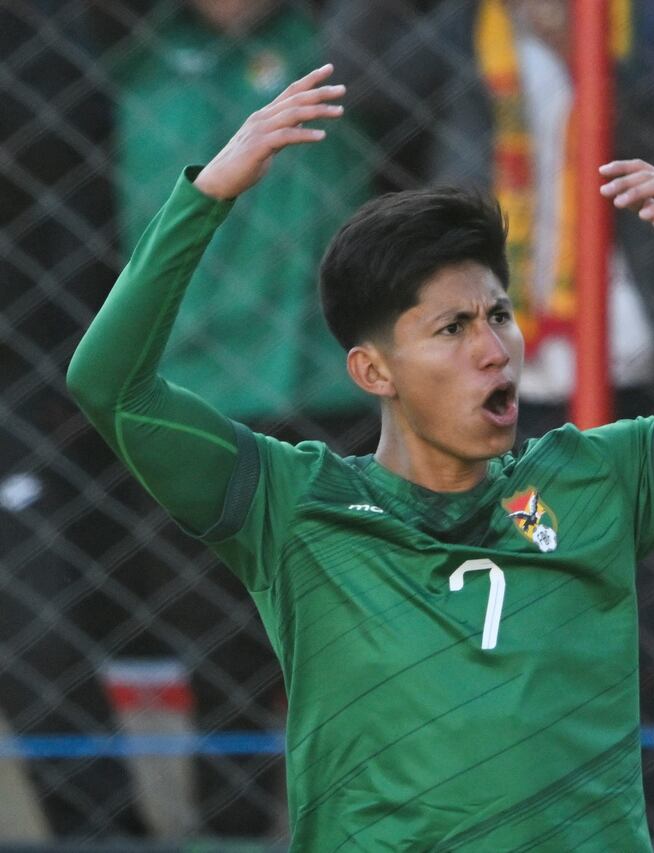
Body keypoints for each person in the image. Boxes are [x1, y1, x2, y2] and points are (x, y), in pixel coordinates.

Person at [66, 64, 654, 849]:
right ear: (374, 371)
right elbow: (111, 386)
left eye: (500, 314)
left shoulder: (601, 477)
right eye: (453, 329)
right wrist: (204, 199)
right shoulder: (292, 506)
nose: (495, 350)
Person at [87, 0, 377, 832]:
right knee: (218, 656)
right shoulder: (123, 53)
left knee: (356, 648)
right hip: (188, 401)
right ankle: (235, 832)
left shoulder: (337, 43)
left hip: (334, 395)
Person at [0, 1, 148, 837]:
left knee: (39, 636)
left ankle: (104, 833)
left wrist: (58, 368)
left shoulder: (36, 44)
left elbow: (75, 205)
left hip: (17, 375)